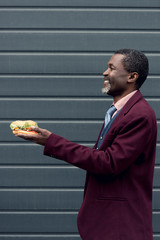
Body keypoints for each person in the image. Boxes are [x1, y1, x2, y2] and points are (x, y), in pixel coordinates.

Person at [16, 49, 157, 240]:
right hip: (108, 223)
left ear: (132, 77)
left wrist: (51, 142)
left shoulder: (139, 115)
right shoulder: (119, 111)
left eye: (111, 68)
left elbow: (108, 163)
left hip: (121, 226)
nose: (105, 73)